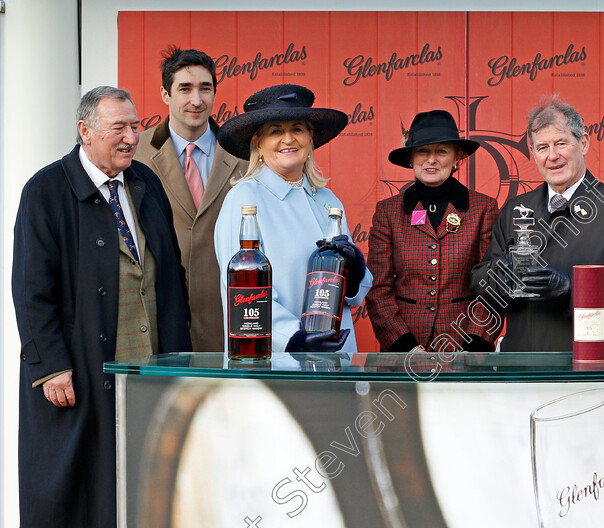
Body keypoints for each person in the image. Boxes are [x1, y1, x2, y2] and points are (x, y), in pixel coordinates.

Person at [12, 86, 191, 527]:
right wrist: (50, 365)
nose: (132, 136)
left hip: (149, 370)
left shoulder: (146, 182)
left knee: (143, 488)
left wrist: (180, 360)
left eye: (135, 125)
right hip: (80, 371)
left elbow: (168, 274)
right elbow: (31, 289)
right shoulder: (45, 190)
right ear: (85, 132)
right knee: (78, 493)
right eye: (119, 128)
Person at [470, 96, 604, 352]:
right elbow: (480, 278)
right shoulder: (514, 209)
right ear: (533, 154)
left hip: (590, 367)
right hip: (523, 368)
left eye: (561, 143)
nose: (552, 156)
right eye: (542, 147)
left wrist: (569, 288)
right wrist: (497, 277)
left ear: (583, 143)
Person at [215, 84, 372, 363]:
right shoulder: (243, 199)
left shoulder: (327, 199)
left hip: (337, 363)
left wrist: (355, 272)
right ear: (258, 143)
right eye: (276, 131)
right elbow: (242, 297)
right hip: (279, 365)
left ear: (311, 138)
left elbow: (355, 297)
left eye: (297, 129)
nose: (288, 138)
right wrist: (294, 339)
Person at [135, 46, 248, 352]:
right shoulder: (136, 153)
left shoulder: (246, 154)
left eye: (205, 89)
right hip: (159, 313)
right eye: (185, 88)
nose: (196, 100)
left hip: (229, 314)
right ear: (165, 94)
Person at [367, 110, 501, 353]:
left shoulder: (484, 208)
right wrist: (405, 346)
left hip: (464, 347)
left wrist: (473, 348)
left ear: (457, 157)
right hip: (404, 349)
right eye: (423, 151)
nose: (431, 159)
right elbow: (378, 290)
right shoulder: (387, 212)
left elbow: (492, 286)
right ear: (411, 157)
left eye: (441, 151)